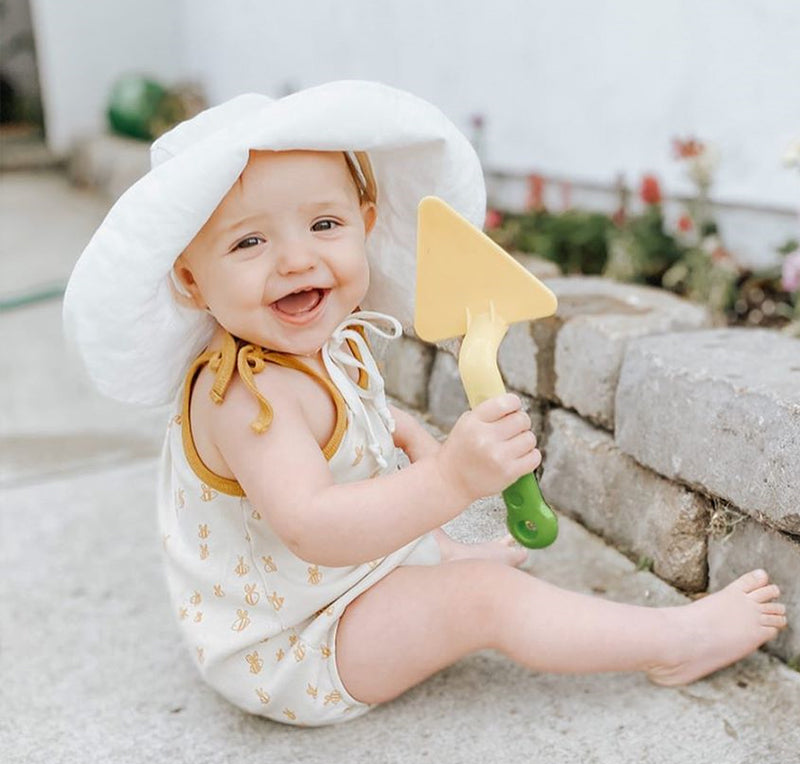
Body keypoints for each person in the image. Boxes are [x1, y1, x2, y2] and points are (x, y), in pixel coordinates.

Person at [64, 81, 787, 727]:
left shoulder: (317, 348)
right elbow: (314, 525)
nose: (295, 258)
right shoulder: (249, 399)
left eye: (323, 225)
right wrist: (449, 483)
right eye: (249, 241)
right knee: (483, 600)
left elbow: (357, 429)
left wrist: (409, 436)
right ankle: (673, 643)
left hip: (331, 591)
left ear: (366, 221)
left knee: (454, 551)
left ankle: (433, 568)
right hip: (299, 648)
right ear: (190, 282)